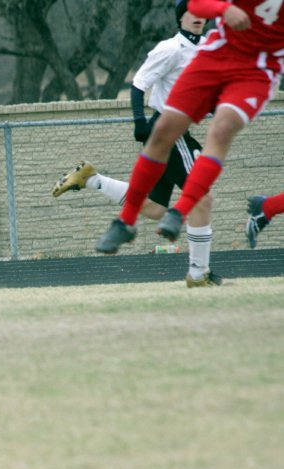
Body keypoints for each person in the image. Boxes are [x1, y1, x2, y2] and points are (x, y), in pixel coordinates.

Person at [94, 0, 284, 257]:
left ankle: (181, 220)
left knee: (221, 130)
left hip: (258, 69)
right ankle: (125, 222)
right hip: (217, 53)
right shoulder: (173, 48)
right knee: (163, 133)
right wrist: (222, 9)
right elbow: (196, 3)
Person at [53, 1, 221, 286]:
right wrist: (139, 122)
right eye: (190, 12)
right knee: (201, 197)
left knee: (154, 207)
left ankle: (92, 179)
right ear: (180, 17)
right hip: (170, 129)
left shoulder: (208, 47)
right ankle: (198, 273)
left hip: (175, 129)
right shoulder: (169, 49)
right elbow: (139, 84)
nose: (197, 17)